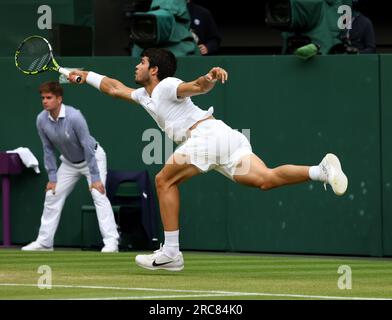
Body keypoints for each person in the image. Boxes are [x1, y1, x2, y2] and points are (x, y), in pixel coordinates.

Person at [68, 48, 348, 271]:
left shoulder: (167, 85)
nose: (136, 67)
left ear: (153, 69)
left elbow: (195, 86)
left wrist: (209, 79)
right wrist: (85, 74)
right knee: (266, 180)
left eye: (141, 62)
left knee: (163, 181)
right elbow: (114, 87)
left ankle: (171, 252)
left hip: (205, 137)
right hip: (224, 137)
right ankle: (320, 171)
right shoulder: (145, 95)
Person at [22, 81, 119, 253]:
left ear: (59, 99)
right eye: (42, 98)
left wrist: (95, 178)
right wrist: (52, 177)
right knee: (52, 195)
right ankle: (44, 242)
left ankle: (111, 242)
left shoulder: (75, 116)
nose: (45, 101)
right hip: (68, 163)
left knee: (99, 194)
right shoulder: (41, 120)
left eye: (49, 97)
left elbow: (87, 146)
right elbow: (48, 149)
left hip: (93, 158)